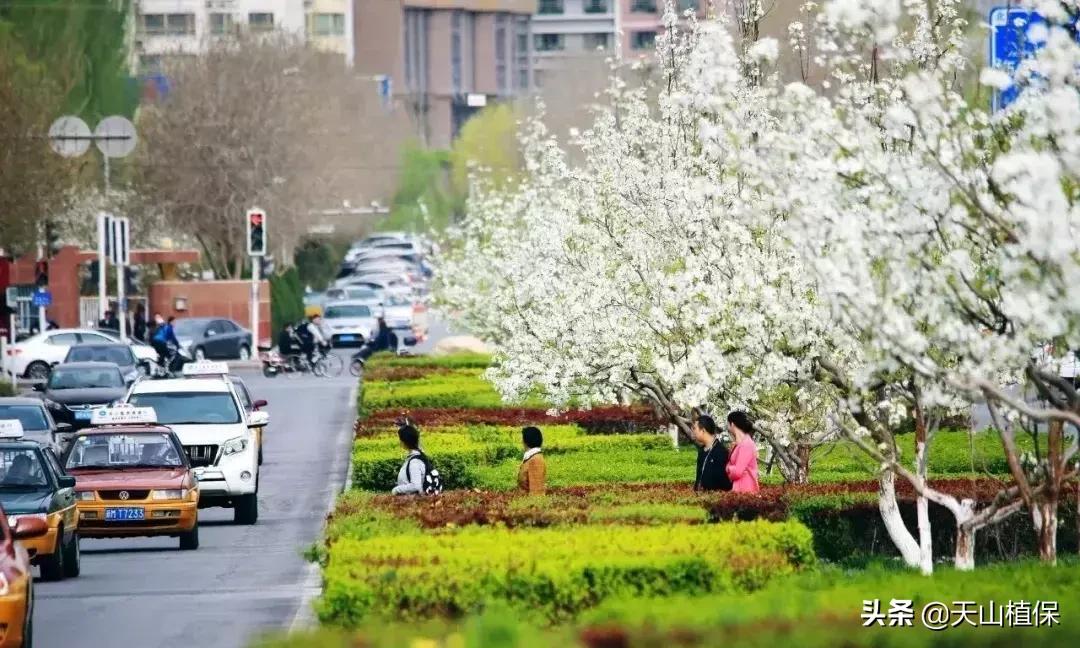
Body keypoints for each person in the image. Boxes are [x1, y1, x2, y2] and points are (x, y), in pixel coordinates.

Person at [692, 415, 732, 492]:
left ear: (703, 431)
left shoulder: (720, 451)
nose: (693, 431)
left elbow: (723, 482)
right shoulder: (701, 450)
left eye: (695, 428)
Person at [725, 411, 760, 493]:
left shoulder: (746, 444)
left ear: (732, 424)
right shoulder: (740, 443)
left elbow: (737, 472)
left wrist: (728, 468)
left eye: (728, 424)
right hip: (739, 487)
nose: (727, 427)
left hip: (745, 488)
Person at [392, 424, 426, 495]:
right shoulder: (416, 456)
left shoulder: (415, 462)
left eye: (400, 439)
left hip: (413, 503)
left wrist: (396, 490)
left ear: (404, 441)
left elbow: (416, 486)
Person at [517, 426, 547, 495]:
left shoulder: (536, 460)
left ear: (526, 441)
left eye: (522, 439)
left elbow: (536, 492)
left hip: (530, 504)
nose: (521, 441)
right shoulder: (531, 458)